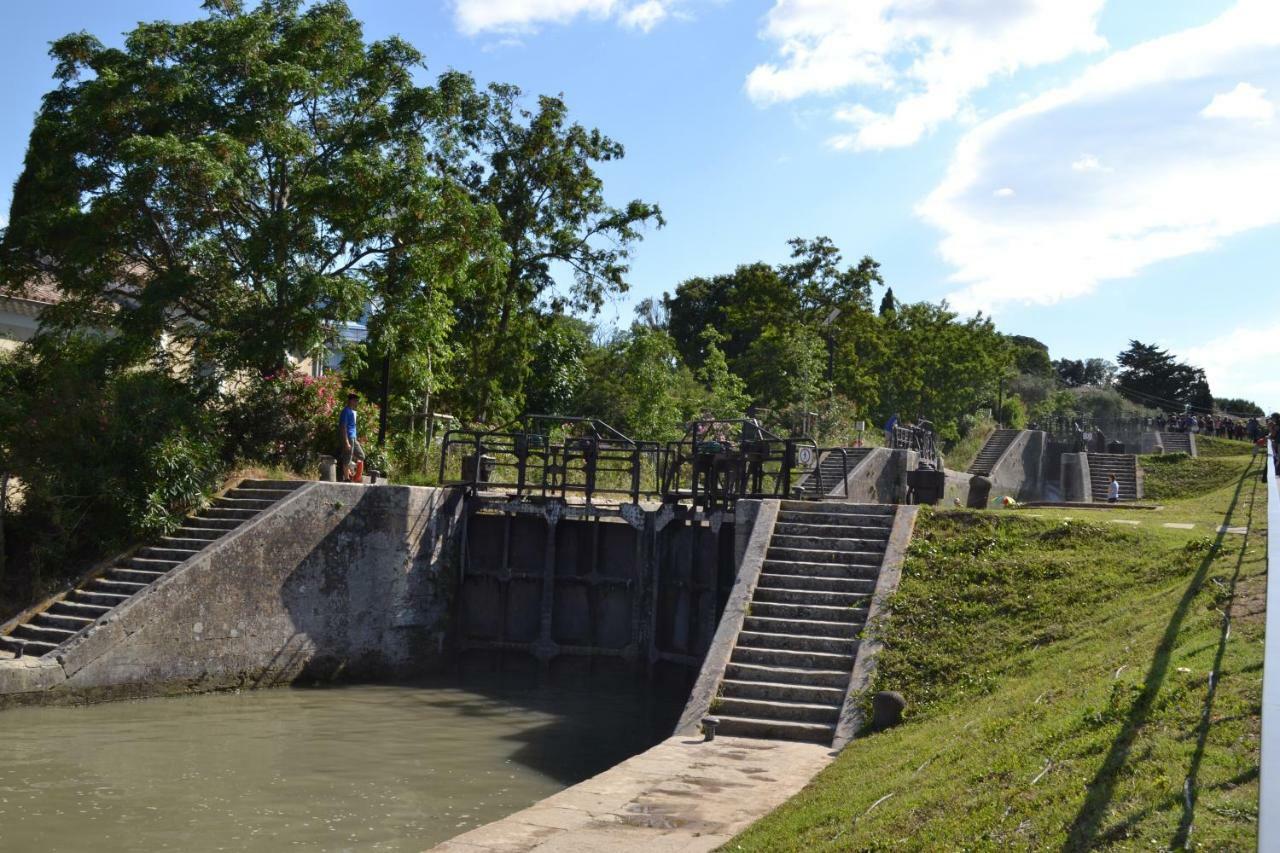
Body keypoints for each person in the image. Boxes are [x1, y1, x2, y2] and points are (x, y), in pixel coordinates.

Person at [339, 393, 365, 483]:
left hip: (353, 437)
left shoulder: (351, 411)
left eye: (357, 401)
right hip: (348, 437)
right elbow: (343, 427)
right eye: (355, 400)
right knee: (347, 458)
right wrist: (346, 442)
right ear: (350, 401)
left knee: (361, 455)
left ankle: (354, 475)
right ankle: (346, 478)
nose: (357, 402)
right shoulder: (345, 411)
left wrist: (355, 438)